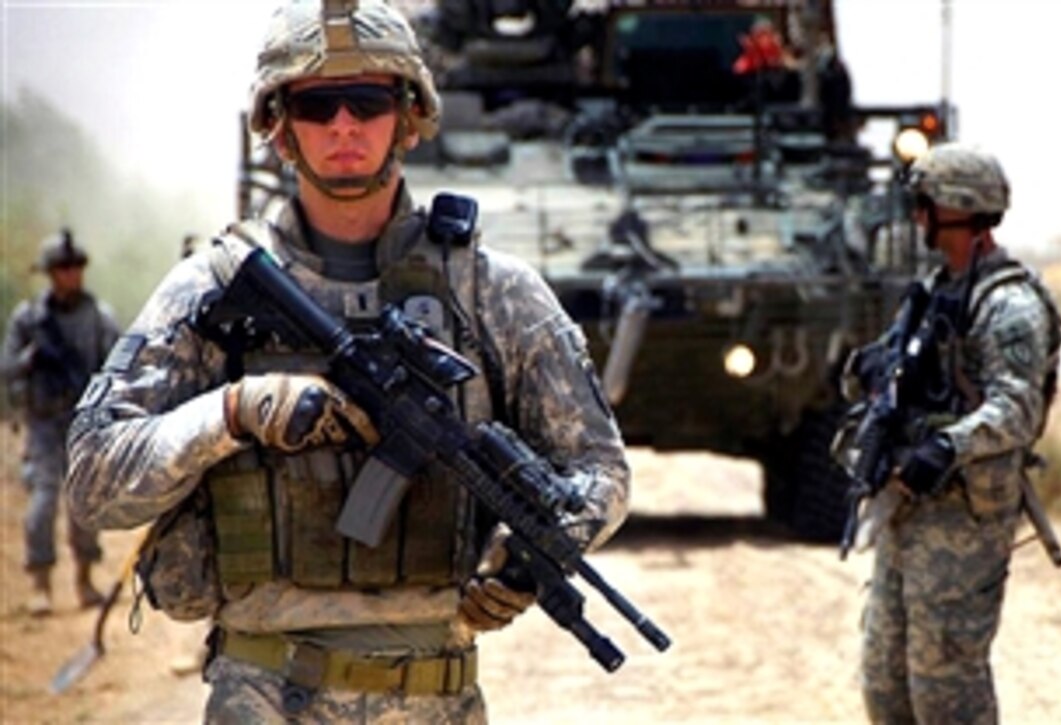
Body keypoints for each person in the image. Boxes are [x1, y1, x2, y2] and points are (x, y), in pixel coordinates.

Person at [64, 1, 629, 722]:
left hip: (435, 697)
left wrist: (531, 550)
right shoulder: (211, 289)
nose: (342, 126)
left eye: (367, 101)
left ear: (409, 115)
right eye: (315, 104)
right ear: (278, 124)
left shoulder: (493, 291)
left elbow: (600, 471)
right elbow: (92, 481)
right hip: (263, 693)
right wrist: (234, 412)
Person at [839, 142, 1061, 723]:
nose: (917, 217)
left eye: (924, 204)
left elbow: (1017, 409)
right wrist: (863, 375)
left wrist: (947, 445)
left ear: (958, 209)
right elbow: (892, 375)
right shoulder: (932, 294)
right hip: (907, 510)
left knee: (946, 690)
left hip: (964, 517)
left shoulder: (1009, 305)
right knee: (886, 685)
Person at [0, 228, 120, 616]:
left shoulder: (99, 317)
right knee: (43, 501)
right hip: (42, 422)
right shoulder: (30, 319)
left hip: (83, 422)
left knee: (84, 502)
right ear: (50, 273)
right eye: (63, 268)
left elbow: (119, 367)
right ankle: (41, 584)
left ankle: (85, 581)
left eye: (76, 267)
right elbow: (7, 368)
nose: (71, 274)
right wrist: (30, 359)